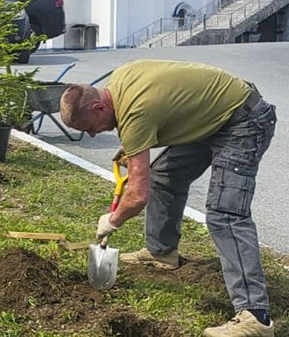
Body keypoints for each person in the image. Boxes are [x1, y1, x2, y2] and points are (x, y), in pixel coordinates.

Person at [60, 60, 277, 337]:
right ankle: (161, 252)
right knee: (163, 175)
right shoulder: (121, 79)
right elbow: (165, 103)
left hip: (244, 121)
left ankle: (255, 316)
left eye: (90, 126)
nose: (92, 134)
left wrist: (112, 221)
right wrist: (131, 145)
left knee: (226, 214)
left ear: (99, 107)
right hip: (211, 117)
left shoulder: (135, 114)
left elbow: (138, 195)